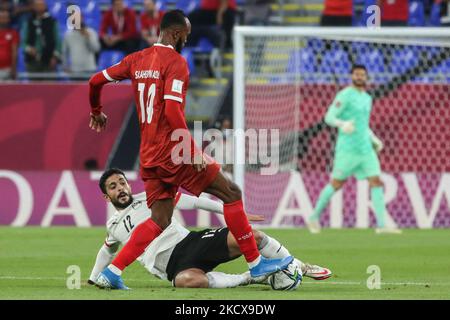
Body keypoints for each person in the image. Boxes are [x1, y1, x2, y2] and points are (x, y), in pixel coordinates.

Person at [88, 10, 293, 290]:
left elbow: (95, 81)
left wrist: (97, 111)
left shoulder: (135, 60)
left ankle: (112, 272)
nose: (187, 40)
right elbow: (172, 110)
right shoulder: (176, 62)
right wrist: (192, 149)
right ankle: (256, 265)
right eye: (186, 35)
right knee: (231, 193)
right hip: (172, 152)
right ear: (175, 33)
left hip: (148, 156)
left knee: (159, 218)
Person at [88, 168, 332, 288]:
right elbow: (106, 252)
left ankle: (299, 265)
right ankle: (250, 278)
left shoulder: (150, 197)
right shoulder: (113, 226)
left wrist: (234, 213)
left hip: (190, 242)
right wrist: (92, 279)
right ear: (106, 197)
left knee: (250, 235)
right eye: (113, 186)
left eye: (122, 182)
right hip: (171, 267)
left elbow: (194, 201)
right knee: (188, 281)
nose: (120, 188)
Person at [306, 65, 402, 235]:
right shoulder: (344, 95)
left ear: (366, 78)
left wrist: (374, 139)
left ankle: (382, 225)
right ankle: (314, 217)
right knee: (336, 184)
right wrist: (342, 124)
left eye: (362, 75)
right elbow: (329, 117)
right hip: (347, 149)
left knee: (376, 181)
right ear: (351, 76)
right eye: (357, 74)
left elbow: (363, 124)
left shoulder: (367, 98)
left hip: (365, 149)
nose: (359, 77)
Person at [21, 0, 60, 72]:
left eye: (41, 5)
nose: (39, 7)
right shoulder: (28, 22)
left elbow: (57, 41)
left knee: (49, 83)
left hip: (49, 61)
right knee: (33, 83)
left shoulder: (52, 22)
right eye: (37, 5)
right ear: (33, 7)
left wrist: (55, 57)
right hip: (32, 61)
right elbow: (23, 42)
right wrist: (29, 49)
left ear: (45, 6)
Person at [0, 9, 19, 80]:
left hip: (8, 69)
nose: (4, 20)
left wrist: (13, 69)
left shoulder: (13, 33)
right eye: (2, 17)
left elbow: (15, 52)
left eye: (6, 18)